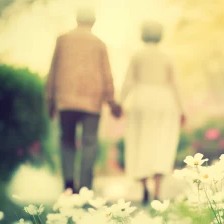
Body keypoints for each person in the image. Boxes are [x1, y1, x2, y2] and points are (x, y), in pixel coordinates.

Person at [45, 7, 122, 193]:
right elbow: (107, 74)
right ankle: (86, 187)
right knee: (89, 142)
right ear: (93, 21)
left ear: (77, 18)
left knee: (67, 141)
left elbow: (53, 70)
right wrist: (111, 101)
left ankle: (69, 184)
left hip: (66, 101)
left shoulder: (63, 40)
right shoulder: (99, 44)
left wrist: (50, 100)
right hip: (92, 103)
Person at [121, 21, 186, 205]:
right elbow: (175, 84)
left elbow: (128, 82)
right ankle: (157, 190)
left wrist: (119, 102)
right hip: (164, 102)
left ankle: (144, 189)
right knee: (161, 143)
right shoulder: (167, 56)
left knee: (140, 142)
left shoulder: (137, 55)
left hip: (140, 100)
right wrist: (182, 109)